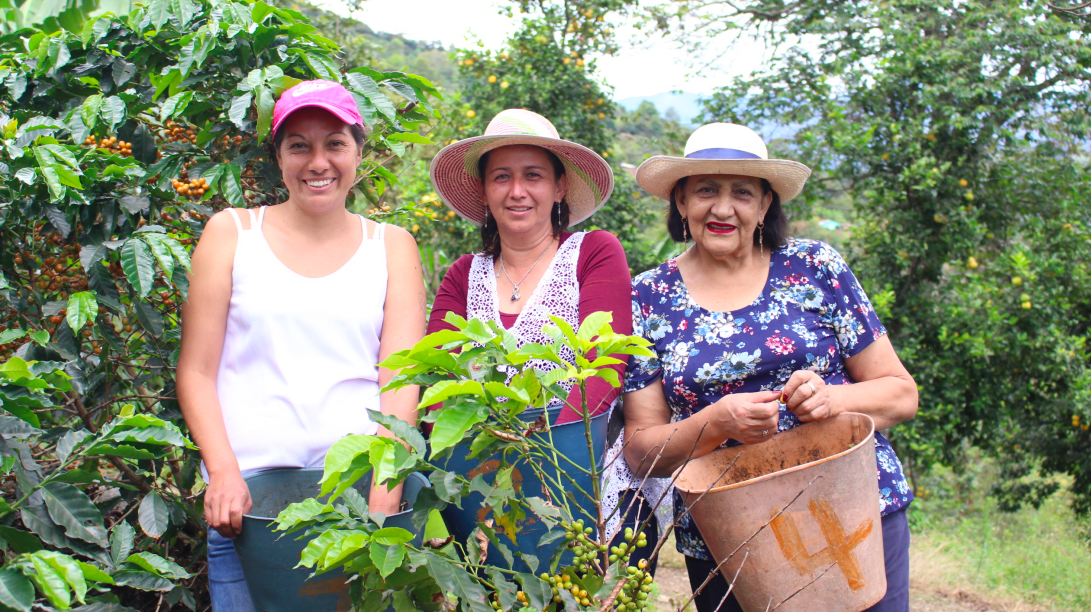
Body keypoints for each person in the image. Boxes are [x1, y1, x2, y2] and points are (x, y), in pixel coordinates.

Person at [622, 123, 918, 612]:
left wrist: (830, 399)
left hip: (852, 514)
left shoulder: (815, 267)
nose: (722, 208)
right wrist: (712, 424)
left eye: (742, 192)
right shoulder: (647, 297)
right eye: (706, 191)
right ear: (680, 201)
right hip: (730, 540)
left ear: (764, 205)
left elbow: (901, 394)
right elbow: (641, 452)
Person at [176, 80, 426, 611]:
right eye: (299, 146)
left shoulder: (391, 246)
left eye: (334, 143)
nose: (319, 162)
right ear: (279, 158)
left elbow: (401, 382)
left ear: (359, 151)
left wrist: (382, 505)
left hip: (356, 496)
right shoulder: (231, 233)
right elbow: (196, 371)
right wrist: (221, 472)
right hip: (250, 508)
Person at [426, 109, 651, 554]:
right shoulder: (463, 276)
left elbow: (604, 368)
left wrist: (543, 461)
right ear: (483, 189)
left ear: (559, 186)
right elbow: (438, 380)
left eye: (533, 175)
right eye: (501, 177)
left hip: (582, 481)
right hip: (485, 491)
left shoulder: (593, 253)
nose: (517, 191)